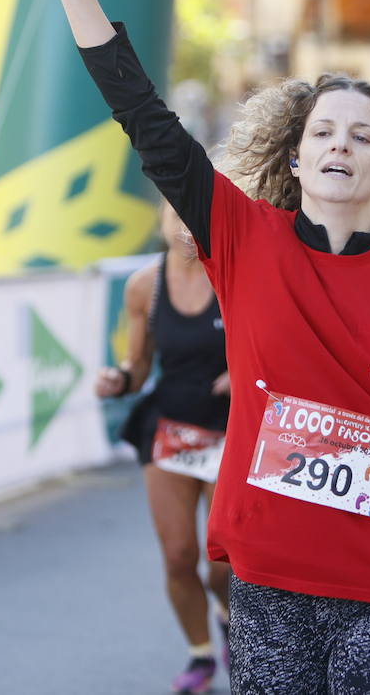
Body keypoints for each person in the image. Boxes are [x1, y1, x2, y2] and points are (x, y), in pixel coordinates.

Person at [29, 0, 370, 692]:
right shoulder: (240, 237)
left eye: (361, 137)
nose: (339, 145)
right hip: (270, 583)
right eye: (323, 131)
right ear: (296, 158)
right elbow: (146, 120)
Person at [94, 202, 232, 694]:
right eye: (173, 214)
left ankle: (227, 612)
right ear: (160, 222)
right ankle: (200, 654)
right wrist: (118, 379)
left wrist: (241, 373)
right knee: (178, 554)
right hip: (170, 430)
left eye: (191, 213)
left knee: (225, 565)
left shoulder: (235, 275)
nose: (182, 223)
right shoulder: (143, 287)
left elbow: (272, 345)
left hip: (229, 432)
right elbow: (137, 366)